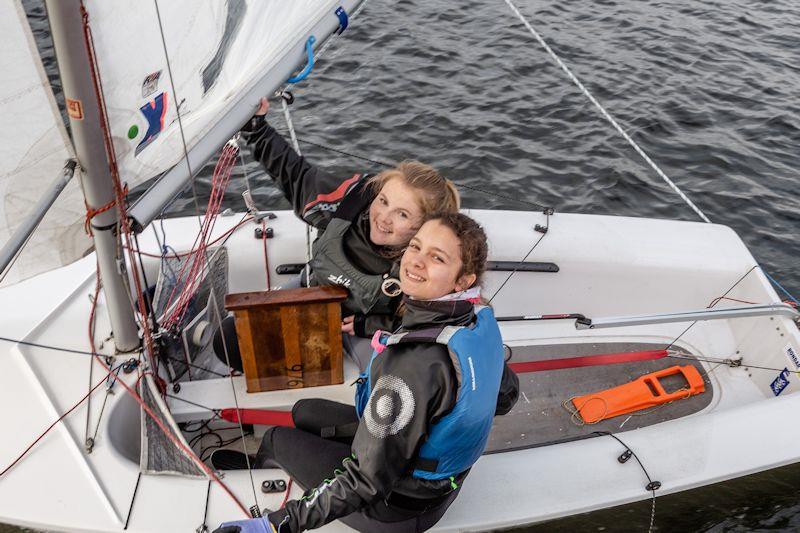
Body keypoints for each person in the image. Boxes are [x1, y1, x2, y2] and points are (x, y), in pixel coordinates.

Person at [214, 213, 519, 533]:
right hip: (437, 483)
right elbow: (506, 396)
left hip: (394, 508)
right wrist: (429, 418)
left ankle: (265, 472)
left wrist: (276, 525)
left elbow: (366, 482)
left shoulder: (410, 369)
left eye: (437, 257)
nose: (416, 261)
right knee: (304, 412)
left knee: (276, 439)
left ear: (462, 280)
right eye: (416, 247)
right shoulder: (477, 321)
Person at [213, 98, 461, 371]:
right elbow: (295, 174)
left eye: (402, 215)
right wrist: (256, 127)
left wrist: (369, 325)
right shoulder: (349, 204)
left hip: (362, 329)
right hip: (314, 294)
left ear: (423, 227)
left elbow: (430, 319)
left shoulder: (421, 260)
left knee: (394, 379)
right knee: (231, 339)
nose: (384, 218)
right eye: (383, 201)